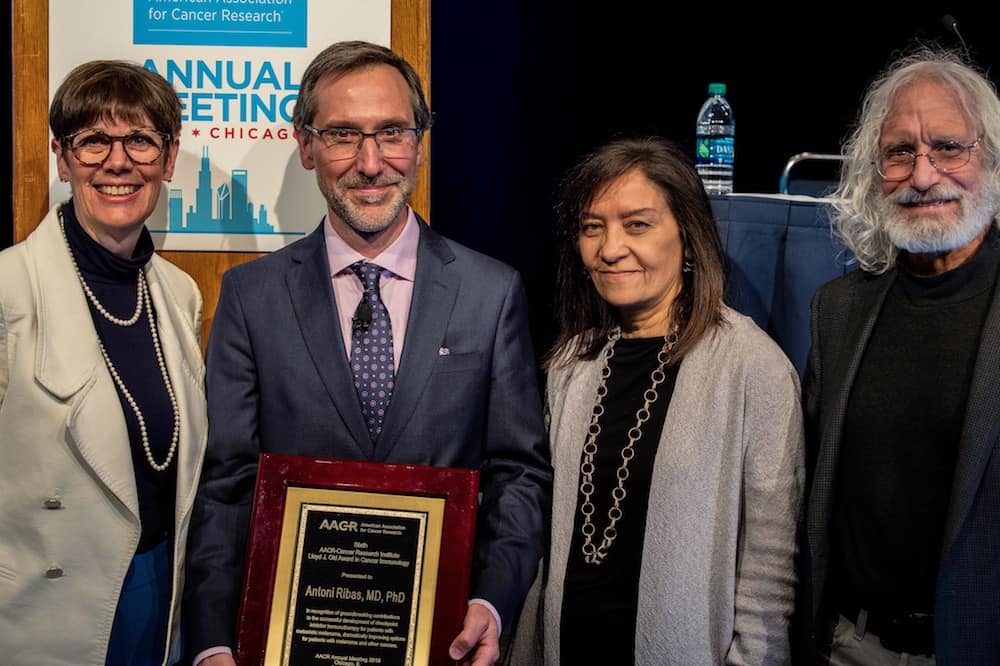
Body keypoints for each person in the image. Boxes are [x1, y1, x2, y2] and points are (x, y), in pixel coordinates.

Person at [182, 40, 551, 666]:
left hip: (442, 640)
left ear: (421, 143)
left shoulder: (492, 293)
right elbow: (225, 485)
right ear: (306, 147)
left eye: (392, 133)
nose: (371, 162)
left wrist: (491, 602)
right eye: (343, 135)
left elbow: (519, 472)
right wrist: (214, 640)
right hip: (285, 645)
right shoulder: (251, 296)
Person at [509, 136, 804, 665]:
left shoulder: (752, 367)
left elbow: (769, 575)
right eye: (591, 227)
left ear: (688, 238)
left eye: (637, 225)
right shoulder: (570, 363)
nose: (610, 248)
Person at [0, 61, 207, 665]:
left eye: (140, 140)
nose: (118, 163)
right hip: (42, 615)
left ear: (167, 160)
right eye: (93, 141)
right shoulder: (7, 289)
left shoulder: (178, 292)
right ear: (63, 159)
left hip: (160, 599)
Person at [802, 48, 1000, 664]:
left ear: (991, 159)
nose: (922, 176)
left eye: (948, 147)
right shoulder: (838, 311)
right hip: (847, 645)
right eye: (899, 152)